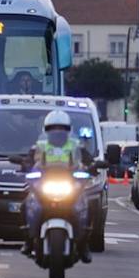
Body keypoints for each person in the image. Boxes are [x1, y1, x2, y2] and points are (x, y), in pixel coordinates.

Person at [21, 110, 91, 263]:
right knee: (25, 204)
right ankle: (28, 240)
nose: (58, 132)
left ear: (68, 130)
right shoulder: (40, 145)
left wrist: (92, 167)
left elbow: (87, 160)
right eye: (53, 129)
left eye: (62, 129)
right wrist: (25, 165)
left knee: (86, 206)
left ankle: (83, 245)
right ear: (47, 130)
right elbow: (30, 160)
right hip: (46, 185)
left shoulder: (75, 145)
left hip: (69, 185)